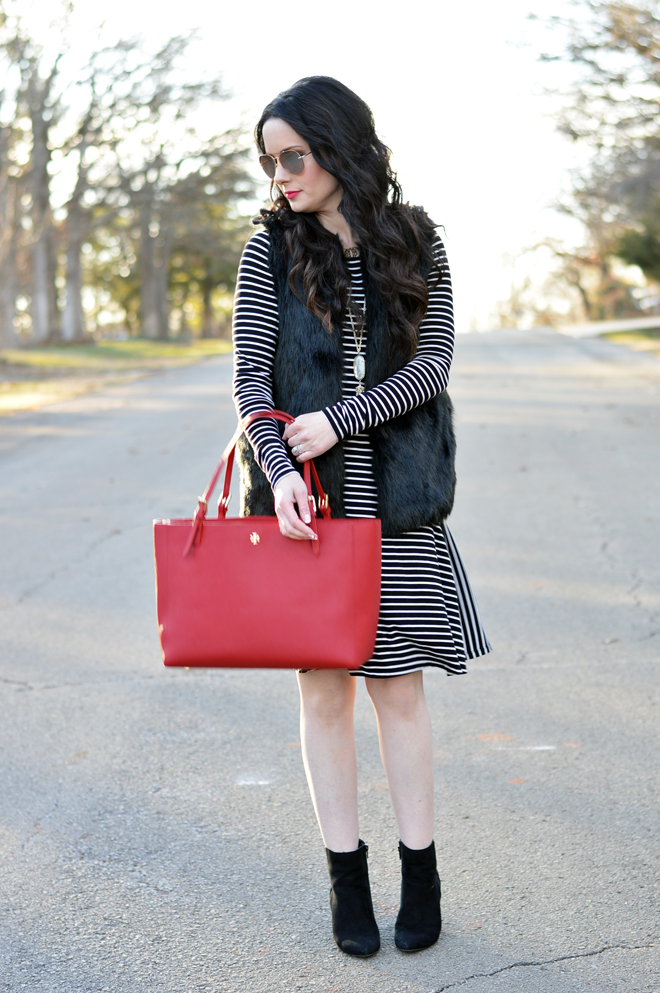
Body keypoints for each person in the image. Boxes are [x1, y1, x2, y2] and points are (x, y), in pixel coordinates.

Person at [232, 76, 490, 958]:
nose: (281, 176)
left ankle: (423, 875)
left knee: (399, 692)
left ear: (338, 146)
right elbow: (252, 383)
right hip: (309, 512)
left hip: (403, 509)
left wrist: (338, 421)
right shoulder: (266, 250)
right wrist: (283, 471)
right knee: (323, 695)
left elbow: (434, 365)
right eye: (269, 162)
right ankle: (348, 880)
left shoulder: (416, 240)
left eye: (293, 156)